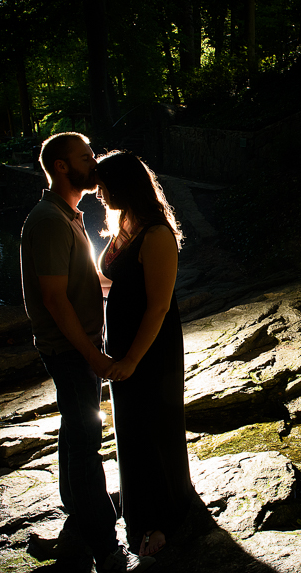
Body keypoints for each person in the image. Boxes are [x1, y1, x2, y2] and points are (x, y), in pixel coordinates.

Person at [20, 133, 153, 573]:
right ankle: (106, 548)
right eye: (84, 157)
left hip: (80, 345)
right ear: (61, 167)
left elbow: (84, 282)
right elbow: (55, 299)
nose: (93, 164)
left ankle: (76, 514)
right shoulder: (48, 221)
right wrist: (92, 355)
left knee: (75, 434)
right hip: (70, 349)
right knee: (85, 445)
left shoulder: (69, 215)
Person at [94, 150, 193, 558]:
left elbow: (158, 306)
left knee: (153, 429)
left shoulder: (156, 234)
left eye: (104, 185)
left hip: (149, 350)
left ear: (124, 185)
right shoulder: (125, 225)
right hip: (124, 346)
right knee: (131, 432)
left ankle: (162, 521)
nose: (99, 193)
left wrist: (132, 359)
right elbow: (105, 279)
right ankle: (143, 512)